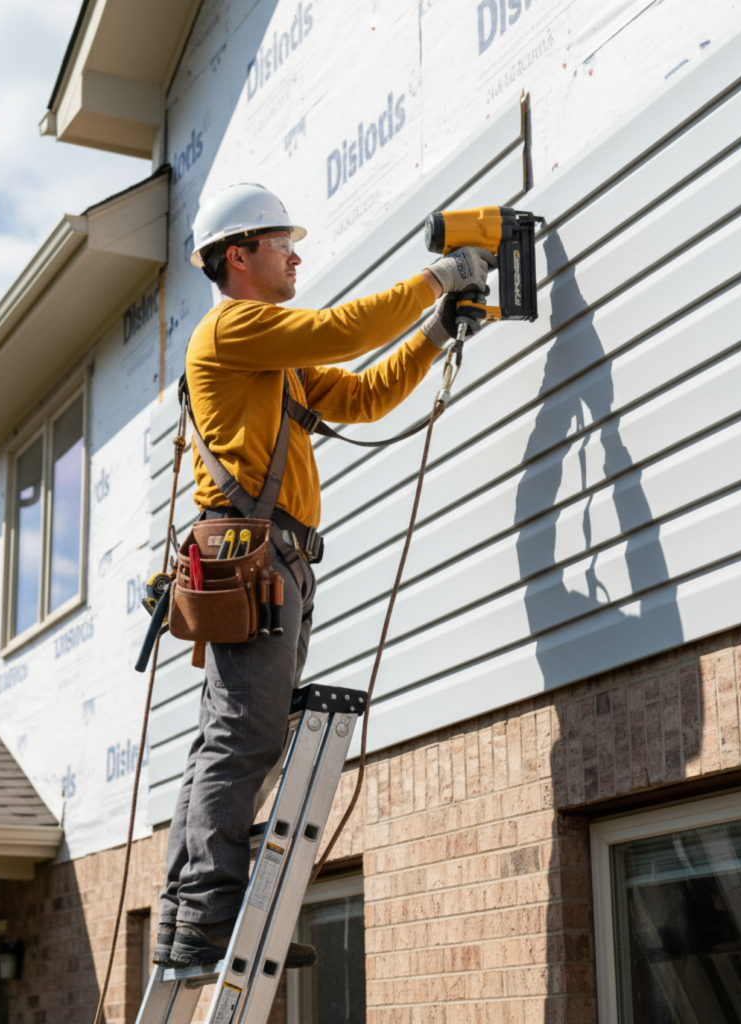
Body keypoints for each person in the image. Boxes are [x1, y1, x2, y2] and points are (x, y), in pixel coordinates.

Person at [155, 183, 495, 968]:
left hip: (272, 560)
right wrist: (439, 279)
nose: (296, 255)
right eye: (283, 245)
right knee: (242, 735)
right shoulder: (233, 327)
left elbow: (362, 395)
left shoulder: (272, 358)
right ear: (239, 257)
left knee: (238, 735)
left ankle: (191, 915)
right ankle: (207, 914)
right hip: (252, 557)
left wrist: (436, 331)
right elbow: (341, 331)